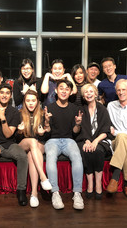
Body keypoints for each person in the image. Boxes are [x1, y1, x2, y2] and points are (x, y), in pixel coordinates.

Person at [44, 79, 84, 210]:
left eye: (67, 89)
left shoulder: (74, 109)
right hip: (53, 140)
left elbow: (75, 132)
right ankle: (55, 193)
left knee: (77, 156)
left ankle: (77, 193)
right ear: (56, 90)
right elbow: (47, 133)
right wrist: (47, 122)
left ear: (70, 92)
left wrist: (78, 124)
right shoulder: (49, 108)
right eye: (61, 88)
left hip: (68, 140)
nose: (64, 91)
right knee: (50, 156)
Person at [75, 84, 112, 200]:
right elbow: (81, 130)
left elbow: (106, 130)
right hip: (85, 139)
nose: (89, 94)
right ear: (83, 95)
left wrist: (95, 141)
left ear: (96, 94)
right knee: (85, 150)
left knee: (97, 151)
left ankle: (98, 183)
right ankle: (90, 183)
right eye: (86, 92)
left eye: (91, 91)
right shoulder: (81, 110)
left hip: (101, 139)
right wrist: (87, 140)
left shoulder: (102, 109)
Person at [16, 89, 52, 208]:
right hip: (24, 143)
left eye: (33, 100)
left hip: (38, 145)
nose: (31, 103)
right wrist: (20, 131)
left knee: (32, 154)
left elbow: (48, 136)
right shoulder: (19, 113)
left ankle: (34, 194)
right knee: (32, 141)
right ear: (24, 102)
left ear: (37, 101)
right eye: (28, 101)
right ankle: (43, 177)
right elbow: (14, 138)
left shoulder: (42, 114)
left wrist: (43, 132)